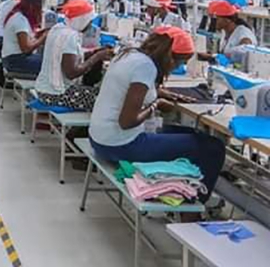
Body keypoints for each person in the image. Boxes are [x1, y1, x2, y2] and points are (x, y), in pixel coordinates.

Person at [89, 27, 226, 208]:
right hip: (121, 145)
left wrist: (163, 93)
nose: (178, 67)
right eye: (179, 63)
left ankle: (181, 190)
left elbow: (133, 88)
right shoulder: (145, 67)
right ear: (169, 56)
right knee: (212, 147)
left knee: (191, 134)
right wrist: (156, 105)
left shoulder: (129, 54)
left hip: (99, 138)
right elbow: (127, 122)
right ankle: (194, 205)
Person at [35, 0, 114, 110]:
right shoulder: (70, 36)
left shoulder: (57, 28)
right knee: (103, 100)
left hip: (43, 89)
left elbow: (67, 57)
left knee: (93, 92)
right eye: (89, 21)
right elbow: (72, 73)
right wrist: (97, 57)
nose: (90, 25)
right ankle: (83, 127)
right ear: (81, 20)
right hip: (54, 94)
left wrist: (94, 52)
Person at [1, 0, 47, 77]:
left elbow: (24, 39)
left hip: (11, 59)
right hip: (15, 61)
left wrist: (37, 36)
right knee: (51, 64)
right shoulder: (20, 20)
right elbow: (26, 48)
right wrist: (42, 38)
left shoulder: (18, 16)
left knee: (47, 60)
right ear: (32, 6)